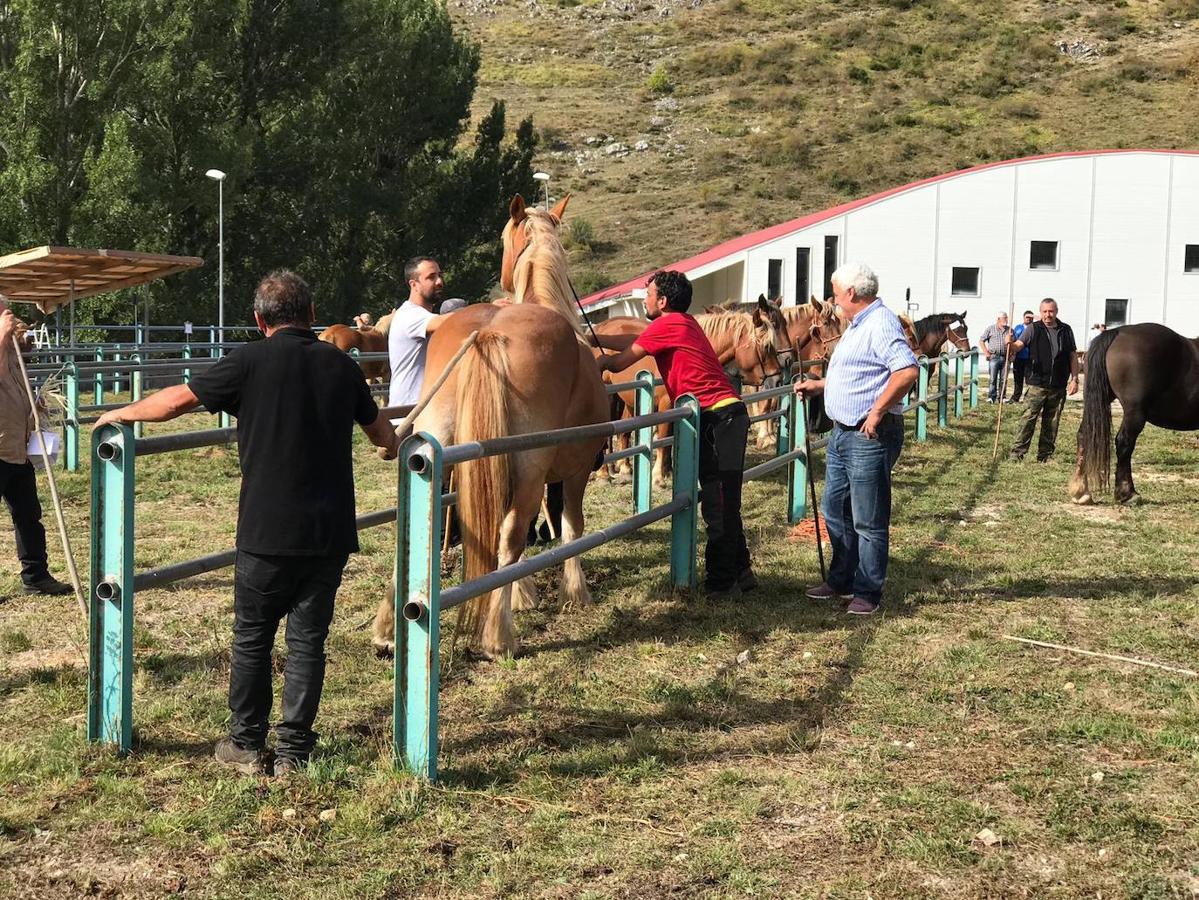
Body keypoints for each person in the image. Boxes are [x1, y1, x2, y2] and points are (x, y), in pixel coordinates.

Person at [96, 271, 399, 775]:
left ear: (260, 320)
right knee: (307, 641)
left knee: (253, 636)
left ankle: (245, 744)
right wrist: (393, 445)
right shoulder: (341, 366)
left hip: (266, 530)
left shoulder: (246, 362)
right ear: (311, 313)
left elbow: (175, 403)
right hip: (328, 532)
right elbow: (380, 432)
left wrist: (121, 413)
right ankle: (294, 752)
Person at [591, 271, 753, 598]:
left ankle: (722, 585)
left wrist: (601, 360)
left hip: (716, 417)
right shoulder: (683, 323)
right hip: (726, 415)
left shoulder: (668, 325)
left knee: (717, 503)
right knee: (725, 500)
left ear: (662, 301)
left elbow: (625, 357)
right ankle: (742, 572)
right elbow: (638, 342)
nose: (644, 300)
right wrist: (600, 339)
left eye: (648, 295)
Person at [793, 262, 918, 616]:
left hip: (868, 434)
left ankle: (867, 591)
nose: (832, 300)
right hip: (842, 432)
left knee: (867, 518)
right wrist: (820, 386)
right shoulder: (856, 326)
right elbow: (859, 373)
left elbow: (906, 370)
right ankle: (842, 578)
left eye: (835, 293)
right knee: (835, 509)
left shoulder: (880, 323)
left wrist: (877, 411)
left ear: (851, 293)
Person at [0, 299, 72, 597]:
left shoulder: (12, 350)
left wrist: (35, 404)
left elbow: (18, 375)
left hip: (17, 446)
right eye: (3, 310)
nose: (9, 315)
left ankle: (36, 576)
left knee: (29, 513)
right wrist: (2, 336)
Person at [1006, 297, 1079, 462]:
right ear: (1040, 313)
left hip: (1058, 385)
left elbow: (1072, 356)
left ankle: (1045, 456)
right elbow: (1019, 345)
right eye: (1045, 311)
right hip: (1036, 384)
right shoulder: (1033, 329)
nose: (1048, 315)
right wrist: (1010, 343)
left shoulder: (1066, 330)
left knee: (1052, 423)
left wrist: (1074, 379)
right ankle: (1017, 454)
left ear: (1056, 311)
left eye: (1051, 311)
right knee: (1027, 420)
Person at [388, 257, 451, 409]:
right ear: (414, 284)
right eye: (431, 277)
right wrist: (487, 311)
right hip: (408, 414)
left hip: (424, 412)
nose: (439, 282)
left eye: (439, 275)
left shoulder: (423, 315)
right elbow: (446, 322)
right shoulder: (409, 315)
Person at [978, 311, 1010, 403]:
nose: (1006, 320)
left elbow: (1014, 343)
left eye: (1006, 318)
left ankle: (1002, 397)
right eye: (1004, 318)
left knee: (1004, 379)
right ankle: (992, 397)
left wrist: (1013, 355)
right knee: (993, 378)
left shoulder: (1009, 330)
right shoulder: (990, 329)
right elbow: (981, 341)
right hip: (994, 357)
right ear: (998, 319)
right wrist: (986, 352)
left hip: (1005, 357)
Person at [1009, 310, 1034, 402]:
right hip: (1019, 357)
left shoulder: (1035, 327)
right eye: (1027, 317)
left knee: (1029, 379)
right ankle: (1016, 397)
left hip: (1030, 358)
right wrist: (1012, 354)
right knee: (1018, 378)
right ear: (1023, 318)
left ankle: (1028, 398)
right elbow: (1014, 341)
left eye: (1030, 318)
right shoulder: (1018, 328)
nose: (1028, 319)